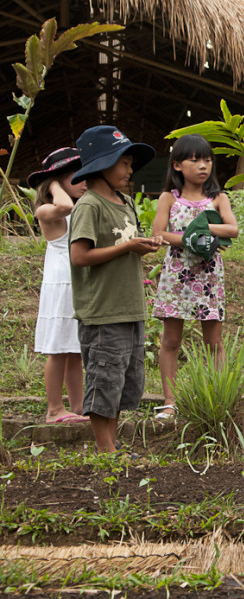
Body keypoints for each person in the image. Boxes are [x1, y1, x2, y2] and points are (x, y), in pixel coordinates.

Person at [68, 126, 165, 453]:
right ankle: (105, 451)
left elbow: (124, 242)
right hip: (102, 310)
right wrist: (127, 247)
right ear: (101, 164)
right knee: (103, 380)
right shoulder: (89, 205)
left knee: (122, 382)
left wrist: (142, 246)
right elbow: (80, 256)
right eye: (123, 163)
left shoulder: (124, 201)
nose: (129, 170)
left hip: (129, 306)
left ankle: (112, 444)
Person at [151, 135, 238, 420]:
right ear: (176, 165)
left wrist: (205, 233)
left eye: (207, 160)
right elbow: (159, 234)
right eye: (194, 160)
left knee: (214, 341)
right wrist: (190, 239)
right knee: (170, 341)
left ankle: (217, 398)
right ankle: (169, 401)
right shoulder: (168, 198)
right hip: (177, 276)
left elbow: (232, 229)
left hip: (209, 276)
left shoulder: (218, 198)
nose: (203, 166)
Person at [29, 147, 89, 424]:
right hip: (60, 283)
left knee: (74, 349)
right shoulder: (47, 209)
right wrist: (52, 181)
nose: (85, 181)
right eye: (77, 176)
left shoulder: (80, 207)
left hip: (76, 281)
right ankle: (54, 408)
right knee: (57, 349)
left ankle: (77, 406)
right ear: (59, 179)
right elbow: (64, 206)